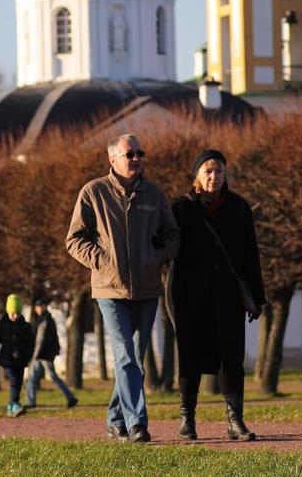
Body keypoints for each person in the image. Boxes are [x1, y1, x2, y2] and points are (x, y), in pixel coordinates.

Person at [66, 133, 180, 443]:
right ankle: (136, 424)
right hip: (109, 290)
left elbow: (173, 236)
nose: (137, 158)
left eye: (140, 153)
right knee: (126, 355)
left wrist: (157, 257)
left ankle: (115, 418)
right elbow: (74, 239)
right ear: (113, 159)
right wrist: (102, 260)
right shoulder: (93, 192)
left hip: (146, 288)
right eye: (130, 154)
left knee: (132, 359)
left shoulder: (154, 195)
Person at [166, 149, 265, 441]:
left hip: (228, 295)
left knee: (232, 358)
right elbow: (166, 248)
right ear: (197, 175)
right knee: (189, 356)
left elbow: (251, 255)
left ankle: (235, 421)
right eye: (208, 171)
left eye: (219, 171)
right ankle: (188, 419)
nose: (214, 177)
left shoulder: (239, 207)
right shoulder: (179, 209)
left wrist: (256, 297)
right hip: (189, 294)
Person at [0, 293, 34, 416]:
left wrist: (28, 356)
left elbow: (30, 343)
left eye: (17, 313)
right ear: (8, 311)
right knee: (13, 381)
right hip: (7, 359)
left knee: (18, 383)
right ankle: (15, 404)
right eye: (12, 313)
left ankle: (11, 406)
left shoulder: (25, 326)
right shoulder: (2, 325)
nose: (15, 316)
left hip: (21, 360)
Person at [27, 297, 77, 409]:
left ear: (45, 307)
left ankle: (71, 398)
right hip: (40, 355)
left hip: (44, 355)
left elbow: (43, 340)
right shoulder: (39, 320)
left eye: (41, 306)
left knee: (53, 378)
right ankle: (31, 402)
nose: (39, 308)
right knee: (31, 379)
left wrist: (36, 355)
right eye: (37, 306)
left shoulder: (46, 320)